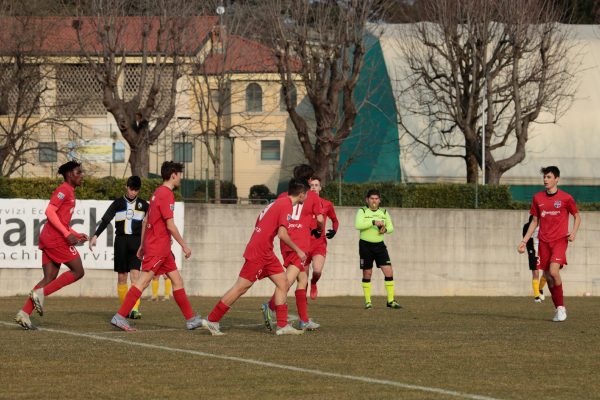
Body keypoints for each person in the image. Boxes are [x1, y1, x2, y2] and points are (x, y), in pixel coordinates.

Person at [201, 178, 308, 336]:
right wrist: (298, 250)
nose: (307, 197)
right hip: (259, 251)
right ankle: (212, 320)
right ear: (301, 195)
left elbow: (260, 221)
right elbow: (282, 234)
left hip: (266, 251)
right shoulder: (285, 205)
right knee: (241, 287)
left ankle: (282, 325)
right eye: (306, 194)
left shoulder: (277, 202)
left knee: (283, 283)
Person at [110, 161, 202, 331]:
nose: (181, 177)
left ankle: (191, 319)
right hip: (158, 247)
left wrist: (142, 245)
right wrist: (184, 246)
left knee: (177, 280)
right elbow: (170, 225)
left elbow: (146, 221)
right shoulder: (166, 194)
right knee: (142, 282)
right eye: (179, 174)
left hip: (161, 248)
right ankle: (120, 316)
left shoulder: (157, 193)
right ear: (173, 174)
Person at [15, 161, 89, 330]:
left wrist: (75, 234)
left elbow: (61, 221)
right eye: (78, 172)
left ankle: (24, 313)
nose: (81, 175)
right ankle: (40, 294)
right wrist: (66, 234)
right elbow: (49, 211)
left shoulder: (69, 191)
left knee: (49, 278)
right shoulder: (64, 189)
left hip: (49, 237)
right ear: (70, 174)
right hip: (55, 239)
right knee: (78, 271)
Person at [261, 164, 324, 331]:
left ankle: (304, 320)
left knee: (302, 279)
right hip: (300, 245)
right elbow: (320, 219)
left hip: (286, 242)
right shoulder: (311, 196)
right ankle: (271, 306)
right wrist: (318, 229)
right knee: (286, 281)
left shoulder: (285, 194)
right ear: (309, 180)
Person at [519, 166, 581, 322]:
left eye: (548, 177)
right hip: (543, 242)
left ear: (557, 179)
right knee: (547, 276)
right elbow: (534, 221)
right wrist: (524, 241)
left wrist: (573, 232)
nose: (545, 180)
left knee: (553, 272)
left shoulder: (566, 198)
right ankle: (558, 308)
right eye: (544, 177)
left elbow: (577, 216)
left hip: (560, 240)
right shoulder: (537, 198)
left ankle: (561, 308)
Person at [89, 176, 148, 319]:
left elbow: (152, 225)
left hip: (136, 243)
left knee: (135, 277)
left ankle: (134, 309)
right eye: (131, 189)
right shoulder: (118, 203)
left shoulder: (144, 205)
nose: (133, 192)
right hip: (121, 242)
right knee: (122, 277)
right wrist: (96, 235)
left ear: (138, 190)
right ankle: (125, 309)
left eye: (136, 190)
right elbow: (106, 220)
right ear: (126, 187)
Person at [355, 189, 401, 309]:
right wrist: (373, 222)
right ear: (367, 200)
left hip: (379, 246)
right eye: (372, 198)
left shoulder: (384, 212)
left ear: (379, 200)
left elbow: (391, 228)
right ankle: (368, 302)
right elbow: (358, 225)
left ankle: (390, 301)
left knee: (389, 271)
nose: (374, 201)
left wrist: (384, 229)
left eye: (376, 198)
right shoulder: (362, 211)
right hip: (365, 245)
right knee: (367, 272)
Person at [306, 176, 339, 300]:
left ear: (320, 187)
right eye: (311, 185)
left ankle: (314, 283)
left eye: (316, 185)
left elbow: (335, 220)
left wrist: (334, 230)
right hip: (304, 244)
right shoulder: (302, 204)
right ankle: (303, 302)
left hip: (319, 243)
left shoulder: (327, 204)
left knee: (317, 271)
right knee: (302, 280)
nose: (313, 187)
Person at [522, 215, 547, 303]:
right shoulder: (527, 226)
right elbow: (525, 238)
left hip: (543, 251)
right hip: (533, 251)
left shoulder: (544, 226)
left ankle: (540, 289)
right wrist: (526, 248)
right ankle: (536, 296)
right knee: (535, 273)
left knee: (547, 272)